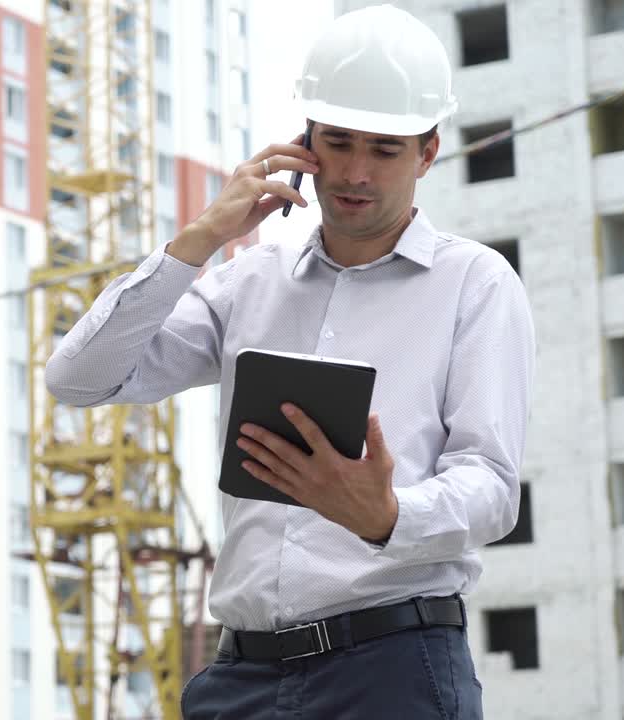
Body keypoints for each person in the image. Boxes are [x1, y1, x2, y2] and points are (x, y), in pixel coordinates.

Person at [44, 4, 535, 718]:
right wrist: (203, 236)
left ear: (428, 152)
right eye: (338, 142)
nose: (357, 171)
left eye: (386, 149)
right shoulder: (250, 277)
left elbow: (492, 485)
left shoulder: (476, 285)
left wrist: (387, 514)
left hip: (392, 670)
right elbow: (79, 378)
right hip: (239, 677)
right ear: (304, 143)